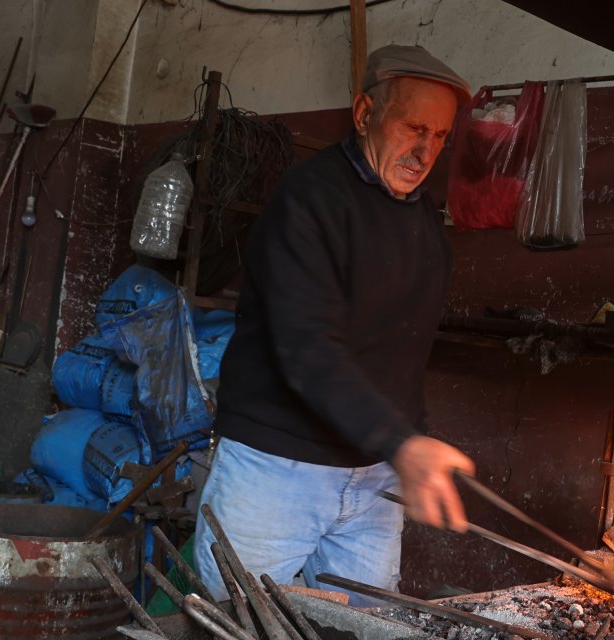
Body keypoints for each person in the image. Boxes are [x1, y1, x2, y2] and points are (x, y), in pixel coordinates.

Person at [191, 44, 476, 607]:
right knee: (240, 621)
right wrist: (402, 441)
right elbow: (306, 347)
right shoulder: (310, 199)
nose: (425, 150)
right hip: (277, 469)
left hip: (374, 479)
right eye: (414, 126)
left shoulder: (423, 220)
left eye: (440, 136)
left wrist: (405, 441)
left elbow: (402, 351)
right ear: (365, 112)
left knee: (367, 624)